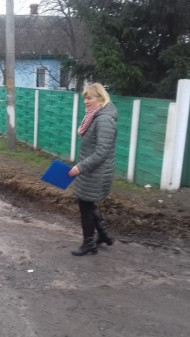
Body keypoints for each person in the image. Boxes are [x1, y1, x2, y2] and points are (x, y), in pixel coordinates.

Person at [68, 83, 118, 256]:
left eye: (89, 98)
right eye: (85, 98)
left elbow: (102, 152)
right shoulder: (95, 116)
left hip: (97, 171)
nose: (86, 102)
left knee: (85, 204)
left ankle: (89, 243)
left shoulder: (104, 120)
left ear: (101, 99)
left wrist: (80, 167)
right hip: (92, 170)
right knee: (87, 203)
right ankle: (103, 235)